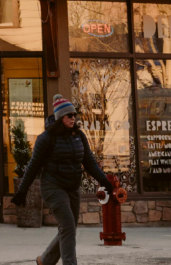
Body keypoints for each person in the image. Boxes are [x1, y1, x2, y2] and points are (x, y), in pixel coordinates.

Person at [11, 95, 117, 265]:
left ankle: (45, 260)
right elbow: (33, 166)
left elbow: (89, 161)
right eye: (69, 115)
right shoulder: (46, 138)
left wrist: (104, 181)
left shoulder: (79, 136)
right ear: (60, 118)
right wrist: (22, 191)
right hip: (52, 186)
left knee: (69, 228)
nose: (73, 118)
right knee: (67, 225)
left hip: (72, 187)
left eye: (74, 115)